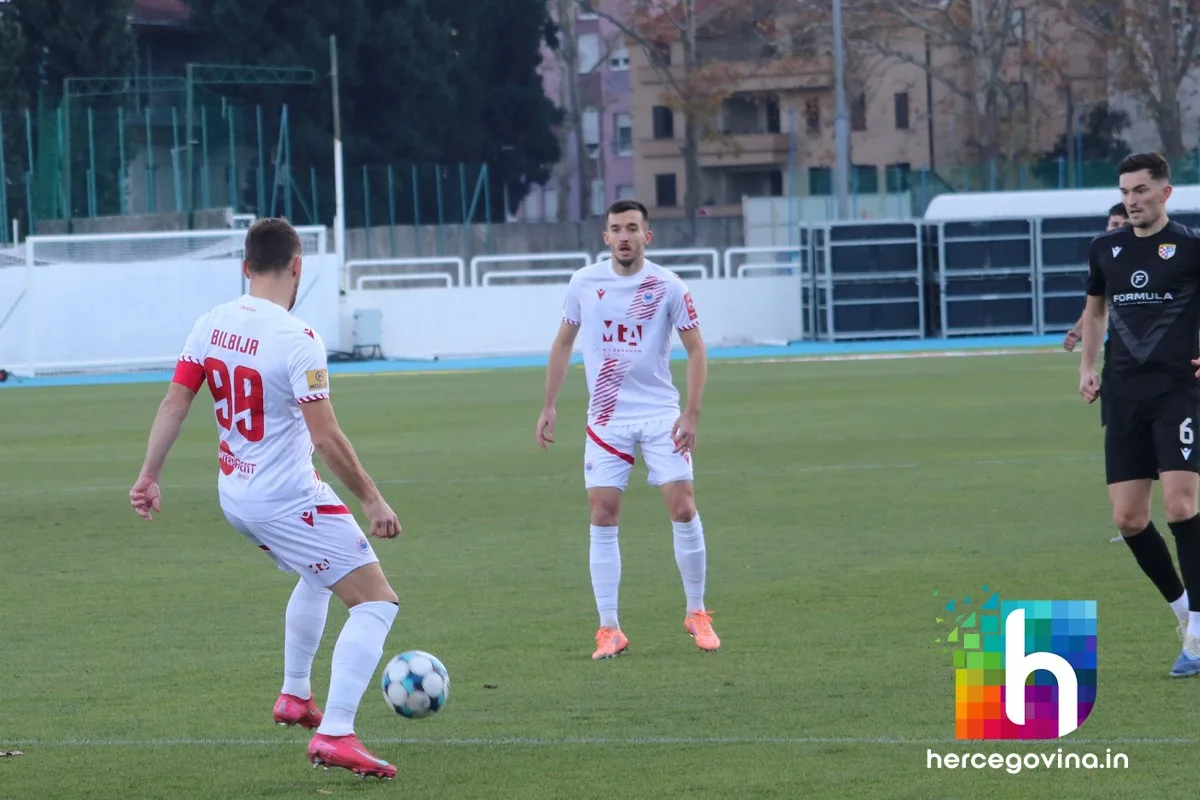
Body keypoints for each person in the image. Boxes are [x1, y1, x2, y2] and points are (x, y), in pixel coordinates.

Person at [128, 218, 403, 776]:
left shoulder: (211, 322)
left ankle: (295, 695)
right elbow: (327, 437)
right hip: (285, 499)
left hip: (236, 496)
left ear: (244, 267)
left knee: (318, 574)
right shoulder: (297, 339)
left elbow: (175, 403)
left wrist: (148, 475)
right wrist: (373, 500)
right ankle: (336, 732)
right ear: (297, 266)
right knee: (376, 601)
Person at [535, 198, 719, 660]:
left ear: (646, 236)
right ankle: (609, 629)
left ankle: (697, 612)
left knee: (683, 508)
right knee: (602, 515)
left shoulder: (668, 286)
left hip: (660, 415)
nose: (623, 236)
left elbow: (697, 349)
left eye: (632, 228)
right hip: (607, 418)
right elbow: (563, 343)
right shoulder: (584, 282)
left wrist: (692, 413)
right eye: (616, 229)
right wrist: (549, 404)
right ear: (606, 237)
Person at [1078, 152, 1200, 677]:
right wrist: (1087, 366)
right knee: (1128, 518)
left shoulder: (1191, 247)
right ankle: (1184, 613)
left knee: (1180, 505)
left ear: (1165, 193)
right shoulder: (1105, 248)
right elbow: (1095, 310)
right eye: (1125, 192)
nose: (1131, 200)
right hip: (1123, 395)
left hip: (1178, 393)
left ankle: (1198, 633)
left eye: (1141, 190)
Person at [1063, 202, 1129, 352]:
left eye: (1126, 225)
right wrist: (1077, 331)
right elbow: (1097, 306)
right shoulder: (1103, 258)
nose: (1119, 230)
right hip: (1123, 341)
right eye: (1115, 225)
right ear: (1107, 228)